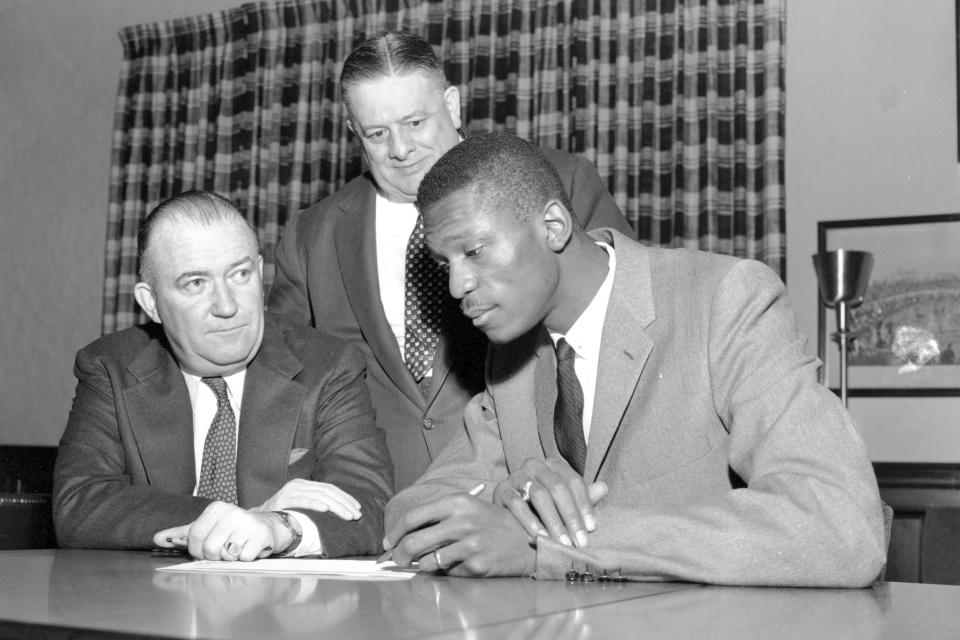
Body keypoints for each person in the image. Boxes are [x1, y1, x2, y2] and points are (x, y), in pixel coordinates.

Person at [381, 133, 886, 587]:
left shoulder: (723, 300)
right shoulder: (509, 360)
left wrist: (551, 543)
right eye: (445, 264)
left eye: (473, 251)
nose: (455, 286)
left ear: (553, 226)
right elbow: (411, 512)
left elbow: (842, 528)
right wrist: (509, 503)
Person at [268, 31, 634, 490]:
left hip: (530, 495)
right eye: (377, 133)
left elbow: (628, 333)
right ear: (353, 132)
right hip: (376, 505)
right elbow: (284, 380)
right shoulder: (312, 235)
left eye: (416, 122)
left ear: (453, 105)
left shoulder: (556, 182)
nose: (399, 150)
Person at [53, 190, 393, 561]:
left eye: (240, 274)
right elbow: (80, 505)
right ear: (151, 303)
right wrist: (249, 518)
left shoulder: (327, 365)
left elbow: (368, 505)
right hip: (152, 605)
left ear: (260, 274)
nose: (228, 305)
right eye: (196, 283)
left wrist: (280, 528)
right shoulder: (111, 367)